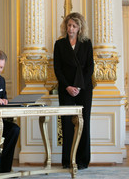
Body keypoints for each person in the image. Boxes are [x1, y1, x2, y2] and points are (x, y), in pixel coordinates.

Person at [53, 12, 94, 170]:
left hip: (83, 88)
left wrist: (78, 86)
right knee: (67, 124)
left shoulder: (87, 43)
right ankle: (68, 160)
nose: (71, 28)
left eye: (74, 26)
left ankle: (83, 160)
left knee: (84, 123)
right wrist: (68, 87)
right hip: (65, 88)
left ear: (80, 28)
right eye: (69, 25)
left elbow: (90, 67)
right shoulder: (59, 44)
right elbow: (58, 69)